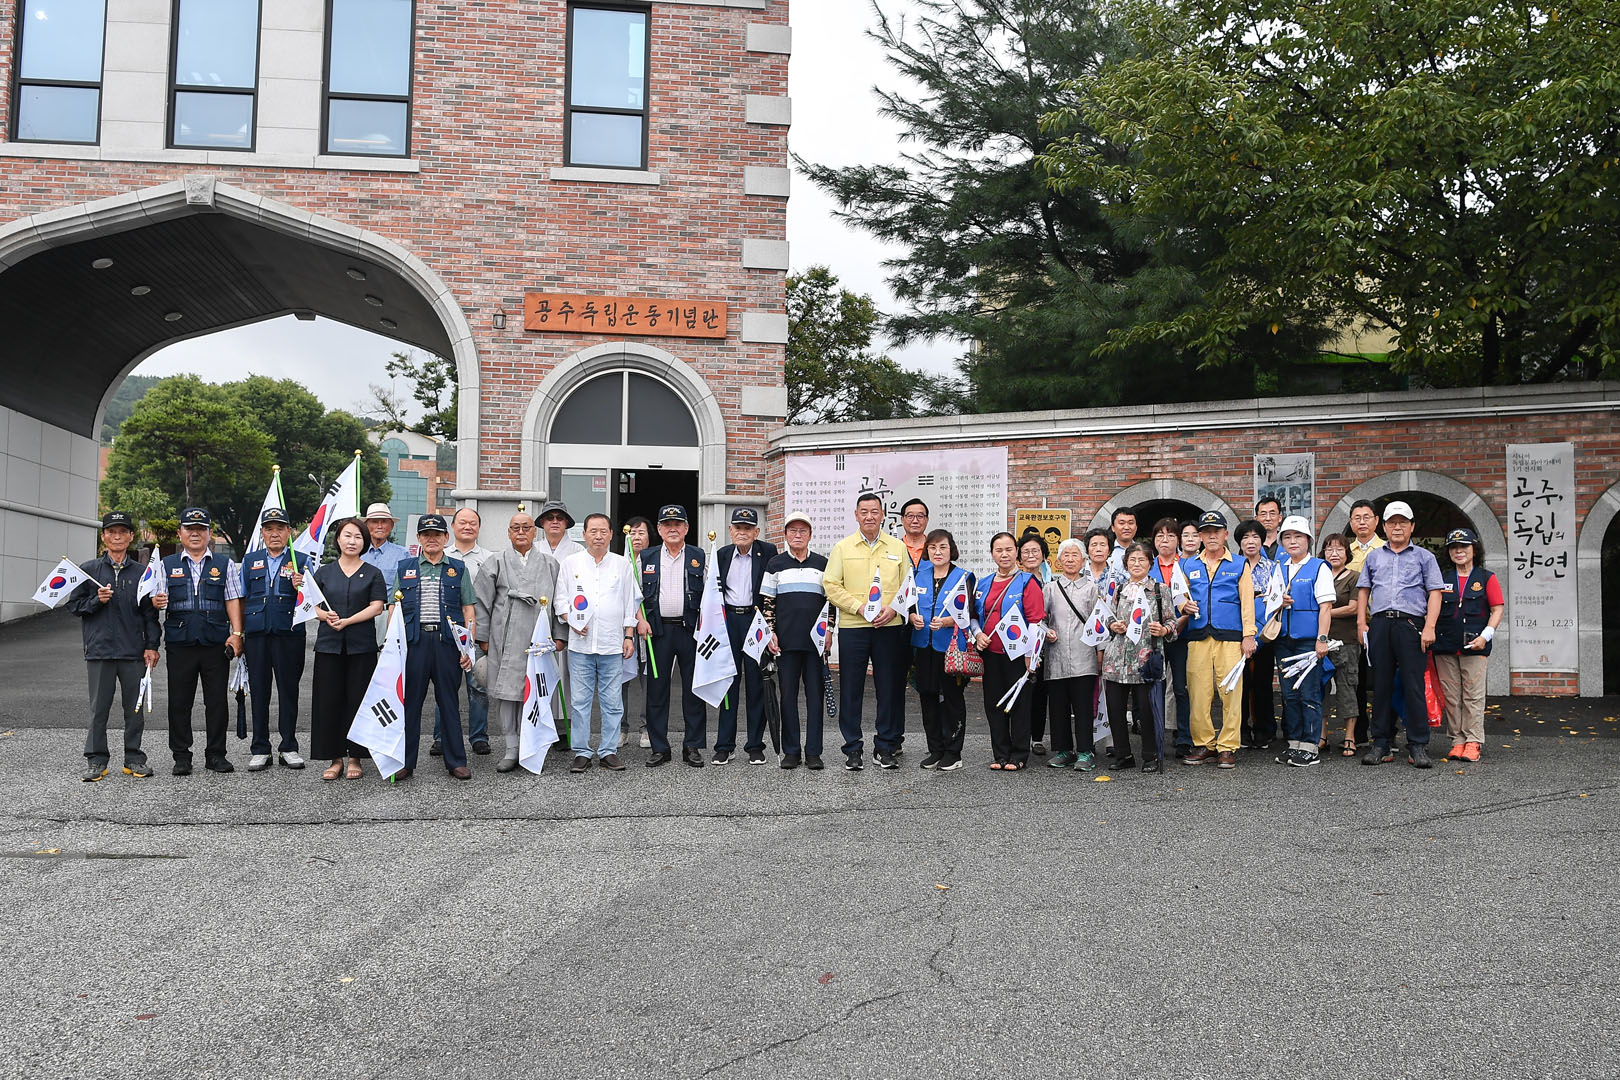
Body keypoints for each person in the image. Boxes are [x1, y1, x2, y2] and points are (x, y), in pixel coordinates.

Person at [67, 511, 160, 781]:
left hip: (133, 652)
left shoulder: (142, 573)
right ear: (104, 537)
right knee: (99, 709)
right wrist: (96, 600)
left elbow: (150, 614)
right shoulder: (89, 570)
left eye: (122, 532)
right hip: (100, 651)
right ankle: (96, 760)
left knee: (134, 709)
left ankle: (134, 758)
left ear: (131, 536)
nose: (117, 536)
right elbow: (74, 606)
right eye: (111, 532)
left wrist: (152, 645)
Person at [822, 492, 912, 771]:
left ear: (883, 514)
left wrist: (894, 610)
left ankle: (884, 746)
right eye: (864, 512)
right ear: (856, 515)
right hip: (854, 627)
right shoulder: (842, 548)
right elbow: (831, 585)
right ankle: (852, 748)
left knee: (888, 688)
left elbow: (907, 585)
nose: (870, 516)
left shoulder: (897, 547)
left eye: (875, 511)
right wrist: (858, 607)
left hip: (889, 627)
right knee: (851, 689)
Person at [152, 507, 245, 775]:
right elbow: (155, 599)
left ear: (209, 533)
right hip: (180, 642)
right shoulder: (165, 565)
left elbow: (232, 599)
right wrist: (156, 601)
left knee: (216, 702)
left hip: (215, 642)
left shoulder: (224, 565)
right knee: (179, 702)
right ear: (180, 533)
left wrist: (237, 634)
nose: (195, 534)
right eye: (189, 529)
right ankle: (181, 756)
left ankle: (216, 755)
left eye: (201, 529)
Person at [1356, 500, 1444, 769]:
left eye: (1403, 522)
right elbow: (1364, 590)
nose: (1397, 527)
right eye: (1392, 522)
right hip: (1381, 624)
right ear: (1384, 526)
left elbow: (1435, 592)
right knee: (1380, 685)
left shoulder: (1424, 557)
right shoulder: (1374, 557)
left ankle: (1417, 744)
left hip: (1411, 625)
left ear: (1412, 526)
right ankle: (1381, 742)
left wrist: (1429, 627)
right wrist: (1361, 623)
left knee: (1413, 684)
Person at [475, 507, 563, 772]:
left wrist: (560, 635)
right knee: (507, 694)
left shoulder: (550, 564)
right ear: (509, 532)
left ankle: (532, 745)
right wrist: (483, 637)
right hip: (505, 637)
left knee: (536, 691)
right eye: (516, 528)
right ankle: (511, 747)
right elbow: (482, 602)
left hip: (539, 639)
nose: (521, 532)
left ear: (535, 532)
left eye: (526, 528)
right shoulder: (495, 561)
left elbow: (560, 601)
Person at [393, 514, 476, 780]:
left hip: (447, 644)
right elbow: (394, 608)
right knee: (410, 703)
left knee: (449, 702)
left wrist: (468, 648)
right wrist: (393, 647)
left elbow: (468, 609)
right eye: (426, 534)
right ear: (418, 538)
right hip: (414, 643)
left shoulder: (458, 568)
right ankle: (404, 761)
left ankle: (456, 761)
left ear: (445, 538)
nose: (432, 539)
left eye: (437, 534)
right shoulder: (405, 567)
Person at [560, 513, 639, 772]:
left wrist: (629, 636)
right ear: (584, 534)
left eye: (603, 531)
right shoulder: (570, 563)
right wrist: (571, 620)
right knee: (580, 702)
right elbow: (560, 600)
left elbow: (629, 603)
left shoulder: (622, 565)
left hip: (612, 644)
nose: (598, 536)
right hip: (580, 645)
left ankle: (608, 751)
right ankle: (582, 751)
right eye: (593, 531)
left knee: (612, 702)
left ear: (611, 534)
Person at [310, 518, 387, 780]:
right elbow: (312, 605)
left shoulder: (373, 573)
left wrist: (348, 621)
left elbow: (377, 606)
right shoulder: (324, 572)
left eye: (358, 537)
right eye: (347, 535)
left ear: (364, 542)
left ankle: (355, 757)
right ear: (338, 539)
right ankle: (335, 758)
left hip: (361, 646)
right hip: (329, 646)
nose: (352, 541)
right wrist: (325, 616)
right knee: (328, 701)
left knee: (359, 700)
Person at [1180, 510, 1256, 769]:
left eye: (1216, 532)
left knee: (1231, 692)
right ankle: (1204, 743)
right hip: (1198, 636)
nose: (1211, 536)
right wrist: (1183, 606)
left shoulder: (1239, 564)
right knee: (1199, 693)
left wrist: (1249, 635)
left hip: (1231, 637)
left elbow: (1248, 602)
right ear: (1200, 536)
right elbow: (1179, 596)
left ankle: (1227, 746)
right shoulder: (1188, 565)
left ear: (1225, 534)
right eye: (1207, 532)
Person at [636, 505, 707, 767]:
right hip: (658, 630)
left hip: (691, 630)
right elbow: (634, 593)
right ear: (659, 529)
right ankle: (660, 748)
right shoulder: (647, 557)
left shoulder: (699, 556)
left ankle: (692, 746)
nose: (672, 528)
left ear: (686, 528)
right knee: (656, 690)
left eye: (678, 524)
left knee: (693, 689)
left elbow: (710, 594)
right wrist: (640, 620)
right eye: (667, 524)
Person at [239, 507, 309, 772]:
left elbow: (312, 600)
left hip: (289, 634)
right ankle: (260, 748)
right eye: (269, 529)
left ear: (289, 532)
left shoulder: (301, 560)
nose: (275, 534)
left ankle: (288, 746)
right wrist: (238, 633)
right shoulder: (250, 561)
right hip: (257, 634)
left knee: (288, 691)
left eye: (280, 528)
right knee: (259, 692)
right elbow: (241, 597)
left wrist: (302, 586)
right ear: (262, 533)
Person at [761, 511, 830, 770]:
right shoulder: (775, 564)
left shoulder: (823, 563)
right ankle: (791, 751)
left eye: (803, 531)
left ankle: (813, 752)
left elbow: (830, 602)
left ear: (810, 535)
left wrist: (830, 630)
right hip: (786, 644)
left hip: (815, 643)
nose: (798, 535)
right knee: (788, 698)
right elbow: (768, 603)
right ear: (785, 535)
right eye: (793, 530)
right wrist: (770, 632)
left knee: (815, 698)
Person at [974, 531, 1046, 770]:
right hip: (990, 654)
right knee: (993, 704)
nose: (1004, 554)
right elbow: (973, 616)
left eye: (1009, 549)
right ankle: (1000, 754)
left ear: (1017, 552)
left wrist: (1030, 655)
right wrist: (978, 634)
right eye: (999, 550)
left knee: (1020, 704)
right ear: (992, 554)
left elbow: (1035, 621)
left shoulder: (1027, 581)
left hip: (1018, 656)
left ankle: (1019, 754)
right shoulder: (984, 583)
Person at [1102, 542, 1176, 771]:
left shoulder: (1160, 590)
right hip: (1117, 660)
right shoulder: (1119, 589)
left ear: (1150, 564)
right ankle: (1123, 755)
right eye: (1132, 560)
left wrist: (1163, 630)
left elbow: (1172, 622)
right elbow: (1107, 617)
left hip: (1146, 659)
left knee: (1147, 710)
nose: (1136, 564)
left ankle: (1150, 756)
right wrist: (1113, 625)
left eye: (1142, 560)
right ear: (1126, 564)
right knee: (1115, 709)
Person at [1431, 528, 1504, 763]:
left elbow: (1497, 609)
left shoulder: (1486, 578)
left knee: (1473, 695)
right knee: (1452, 696)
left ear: (1474, 549)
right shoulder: (1441, 578)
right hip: (1445, 645)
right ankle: (1457, 740)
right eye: (1454, 547)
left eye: (1464, 546)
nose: (1459, 551)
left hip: (1475, 645)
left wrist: (1486, 635)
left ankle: (1473, 741)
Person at [716, 507, 779, 764]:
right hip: (729, 621)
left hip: (756, 621)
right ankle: (724, 745)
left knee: (756, 684)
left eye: (748, 528)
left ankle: (755, 745)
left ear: (757, 532)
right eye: (738, 528)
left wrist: (772, 627)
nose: (742, 532)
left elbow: (773, 591)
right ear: (730, 530)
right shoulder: (721, 555)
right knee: (728, 684)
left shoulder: (769, 552)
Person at [1272, 516, 1335, 767]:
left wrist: (1322, 640)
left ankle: (1310, 746)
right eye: (1287, 537)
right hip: (1284, 640)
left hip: (1308, 642)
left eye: (1298, 536)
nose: (1293, 541)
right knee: (1289, 695)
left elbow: (1326, 607)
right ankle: (1294, 743)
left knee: (1309, 693)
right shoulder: (1279, 567)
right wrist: (1279, 602)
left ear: (1308, 540)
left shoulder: (1319, 567)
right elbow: (1270, 601)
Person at [908, 527, 972, 771]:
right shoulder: (918, 576)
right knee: (928, 696)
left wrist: (947, 621)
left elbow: (969, 613)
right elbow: (909, 605)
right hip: (923, 646)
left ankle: (953, 752)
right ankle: (935, 749)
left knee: (952, 699)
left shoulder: (964, 577)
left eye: (943, 547)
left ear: (951, 549)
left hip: (950, 649)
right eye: (933, 547)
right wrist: (912, 617)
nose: (937, 552)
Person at [433, 507, 493, 758]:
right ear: (453, 527)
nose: (468, 527)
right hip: (445, 633)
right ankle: (441, 737)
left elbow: (492, 600)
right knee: (444, 686)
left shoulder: (489, 559)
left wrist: (485, 635)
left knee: (478, 685)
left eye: (473, 523)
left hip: (475, 632)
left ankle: (478, 737)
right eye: (462, 522)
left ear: (479, 528)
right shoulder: (441, 555)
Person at [1043, 537, 1101, 771]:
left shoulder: (1092, 589)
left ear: (1084, 560)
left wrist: (1101, 653)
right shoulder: (1049, 588)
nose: (1069, 559)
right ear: (1058, 561)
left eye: (1074, 555)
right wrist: (1046, 632)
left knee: (1083, 706)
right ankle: (1064, 750)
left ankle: (1086, 751)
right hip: (1055, 656)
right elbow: (1039, 619)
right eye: (1065, 555)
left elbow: (1100, 623)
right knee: (1058, 706)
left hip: (1084, 656)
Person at [537, 500, 584, 746]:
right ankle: (540, 727)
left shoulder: (577, 550)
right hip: (538, 620)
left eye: (559, 517)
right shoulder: (533, 548)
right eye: (550, 517)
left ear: (566, 523)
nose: (554, 521)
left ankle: (565, 728)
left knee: (566, 675)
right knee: (540, 674)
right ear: (542, 523)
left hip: (568, 620)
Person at [1234, 517, 1281, 749]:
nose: (1250, 541)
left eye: (1255, 537)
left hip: (1264, 633)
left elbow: (1277, 598)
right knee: (1239, 683)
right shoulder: (1232, 567)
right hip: (1238, 631)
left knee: (1262, 682)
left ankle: (1264, 728)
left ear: (1262, 541)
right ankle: (1241, 729)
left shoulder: (1273, 568)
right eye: (1245, 537)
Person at [1148, 517, 1194, 758]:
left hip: (1183, 635)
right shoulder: (1148, 566)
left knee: (1180, 687)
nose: (1165, 540)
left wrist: (1176, 624)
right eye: (1160, 536)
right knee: (1153, 686)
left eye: (1170, 536)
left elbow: (1193, 602)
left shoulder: (1189, 565)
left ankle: (1184, 737)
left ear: (1178, 540)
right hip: (1153, 636)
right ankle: (1154, 738)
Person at [1345, 498, 1385, 745]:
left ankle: (1384, 733)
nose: (1362, 522)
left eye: (1366, 517)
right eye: (1357, 518)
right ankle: (1359, 733)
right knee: (1355, 680)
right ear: (1351, 522)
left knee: (1382, 680)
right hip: (1352, 626)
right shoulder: (1345, 551)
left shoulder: (1386, 549)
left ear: (1376, 521)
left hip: (1379, 622)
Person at [1319, 534, 1362, 757]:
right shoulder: (1319, 575)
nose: (1334, 554)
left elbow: (1353, 607)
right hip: (1321, 641)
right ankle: (1322, 735)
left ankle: (1349, 737)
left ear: (1347, 553)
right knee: (1321, 689)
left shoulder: (1354, 577)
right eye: (1329, 549)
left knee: (1347, 688)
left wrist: (1324, 611)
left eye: (1339, 549)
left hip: (1347, 642)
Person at [1018, 531, 1052, 756]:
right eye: (1026, 552)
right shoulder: (1015, 580)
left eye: (1035, 551)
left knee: (1040, 691)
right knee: (1022, 690)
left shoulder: (1051, 581)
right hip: (1020, 642)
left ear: (1043, 555)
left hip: (1046, 645)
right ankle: (1019, 736)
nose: (1031, 555)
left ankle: (1037, 738)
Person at [621, 516, 653, 747]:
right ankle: (621, 728)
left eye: (641, 533)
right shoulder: (619, 563)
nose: (636, 537)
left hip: (648, 628)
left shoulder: (655, 562)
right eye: (632, 533)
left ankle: (646, 728)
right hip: (623, 630)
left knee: (648, 681)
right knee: (620, 680)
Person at [360, 503, 411, 572]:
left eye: (384, 522)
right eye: (374, 522)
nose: (379, 526)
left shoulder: (403, 554)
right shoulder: (358, 553)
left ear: (392, 526)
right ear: (366, 525)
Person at [898, 499, 929, 569]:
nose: (915, 521)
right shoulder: (894, 547)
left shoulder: (935, 548)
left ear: (927, 520)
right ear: (902, 520)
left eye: (920, 516)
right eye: (910, 516)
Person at [1107, 505, 1138, 573]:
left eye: (1131, 523)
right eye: (1121, 523)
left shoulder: (1144, 551)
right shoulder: (1106, 552)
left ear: (1136, 527)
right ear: (1113, 528)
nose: (1126, 527)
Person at [1255, 496, 1284, 560]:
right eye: (1263, 514)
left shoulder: (1287, 542)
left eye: (1272, 514)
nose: (1268, 518)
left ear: (1280, 518)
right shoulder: (1250, 543)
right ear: (1256, 518)